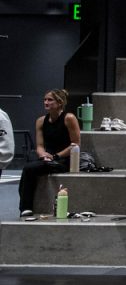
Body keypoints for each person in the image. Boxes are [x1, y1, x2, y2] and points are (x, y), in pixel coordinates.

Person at [18, 89, 81, 217]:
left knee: (29, 168)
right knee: (29, 168)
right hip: (48, 159)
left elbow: (75, 144)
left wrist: (56, 156)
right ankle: (25, 208)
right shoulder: (41, 121)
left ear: (59, 102)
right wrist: (43, 155)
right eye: (45, 99)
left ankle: (25, 206)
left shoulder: (69, 118)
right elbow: (40, 146)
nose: (46, 102)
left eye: (50, 100)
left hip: (64, 159)